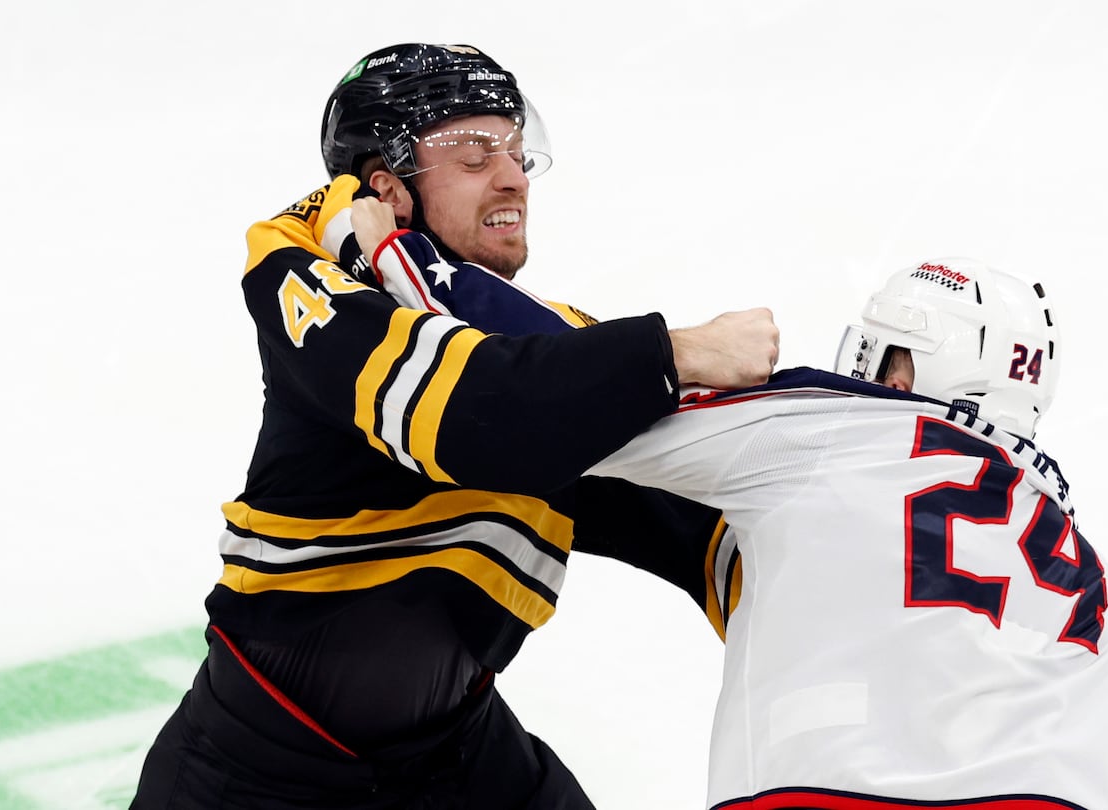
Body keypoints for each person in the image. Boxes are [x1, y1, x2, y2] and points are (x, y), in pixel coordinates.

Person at [130, 43, 777, 809]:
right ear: (386, 187)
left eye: (513, 150)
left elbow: (689, 520)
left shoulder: (546, 353)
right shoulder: (303, 269)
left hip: (458, 760)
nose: (511, 177)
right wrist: (676, 350)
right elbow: (477, 417)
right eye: (473, 156)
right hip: (254, 775)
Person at [588, 258, 1108, 810]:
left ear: (905, 375)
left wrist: (675, 348)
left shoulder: (835, 431)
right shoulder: (1095, 580)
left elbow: (591, 410)